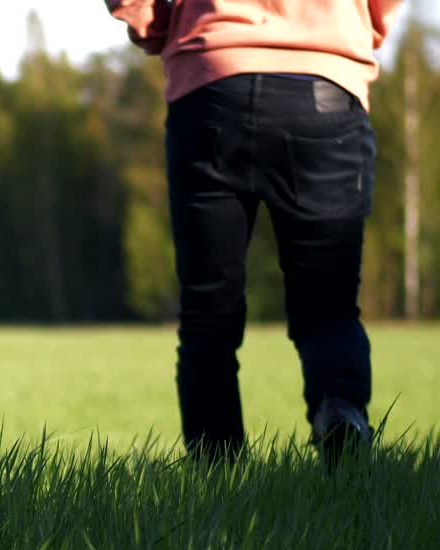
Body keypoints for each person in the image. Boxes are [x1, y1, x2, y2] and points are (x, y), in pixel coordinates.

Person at [104, 0, 406, 464]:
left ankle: (218, 478)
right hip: (326, 84)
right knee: (329, 306)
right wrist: (363, 20)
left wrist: (151, 19)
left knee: (209, 313)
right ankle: (340, 411)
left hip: (211, 85)